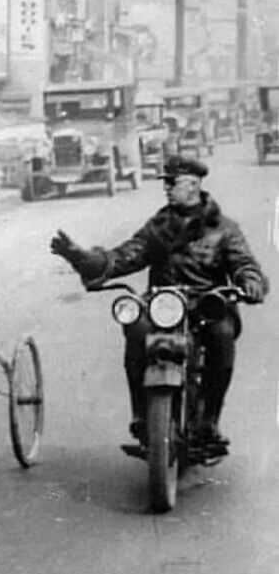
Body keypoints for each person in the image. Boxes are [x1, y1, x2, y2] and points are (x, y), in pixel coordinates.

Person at [50, 154, 267, 449]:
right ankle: (142, 415)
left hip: (207, 305)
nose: (166, 188)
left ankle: (208, 421)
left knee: (222, 335)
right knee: (136, 329)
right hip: (164, 305)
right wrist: (84, 258)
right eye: (165, 183)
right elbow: (126, 255)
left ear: (193, 184)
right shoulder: (158, 226)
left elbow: (245, 264)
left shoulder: (224, 228)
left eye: (172, 182)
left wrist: (250, 282)